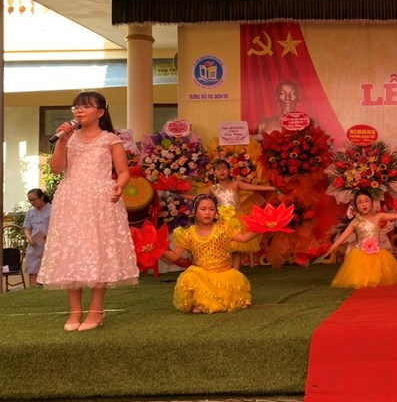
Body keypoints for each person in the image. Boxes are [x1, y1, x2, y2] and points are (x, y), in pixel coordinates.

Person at [38, 91, 138, 331]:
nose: (79, 110)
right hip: (71, 199)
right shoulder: (68, 138)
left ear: (101, 112)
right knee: (72, 252)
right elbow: (56, 168)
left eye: (86, 106)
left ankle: (96, 310)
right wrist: (62, 140)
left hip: (100, 200)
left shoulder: (110, 139)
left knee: (97, 252)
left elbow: (123, 172)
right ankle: (74, 311)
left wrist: (119, 186)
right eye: (76, 107)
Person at [162, 194, 259, 313]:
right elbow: (174, 256)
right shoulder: (188, 234)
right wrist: (157, 250)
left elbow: (243, 238)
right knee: (189, 276)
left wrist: (264, 227)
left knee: (223, 299)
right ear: (195, 212)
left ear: (216, 212)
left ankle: (209, 303)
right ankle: (202, 302)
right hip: (202, 276)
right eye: (203, 209)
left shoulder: (224, 228)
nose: (207, 213)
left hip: (224, 275)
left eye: (211, 209)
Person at [199, 159, 278, 269]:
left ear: (229, 171)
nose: (221, 171)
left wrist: (272, 188)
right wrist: (180, 195)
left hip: (237, 219)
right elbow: (198, 198)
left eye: (224, 168)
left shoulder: (236, 184)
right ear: (214, 172)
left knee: (237, 247)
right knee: (221, 246)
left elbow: (254, 187)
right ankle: (222, 269)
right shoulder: (212, 189)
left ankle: (235, 271)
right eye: (218, 169)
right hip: (221, 220)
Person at [323, 191, 397, 289]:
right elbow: (341, 238)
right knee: (360, 280)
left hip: (377, 255)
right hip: (360, 256)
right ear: (356, 206)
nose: (364, 204)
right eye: (360, 202)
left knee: (377, 279)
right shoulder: (355, 222)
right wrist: (328, 251)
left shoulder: (379, 216)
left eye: (366, 201)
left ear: (372, 203)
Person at [22, 188, 52, 287]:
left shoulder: (53, 209)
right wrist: (29, 238)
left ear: (41, 197)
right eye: (30, 201)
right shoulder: (30, 212)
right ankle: (33, 287)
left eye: (34, 200)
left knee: (48, 268)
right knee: (33, 268)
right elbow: (27, 228)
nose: (32, 202)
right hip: (34, 244)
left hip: (49, 244)